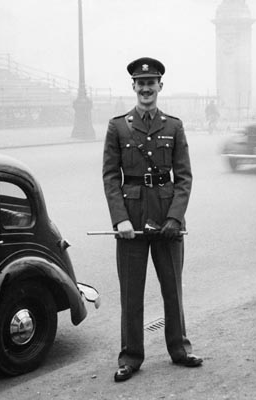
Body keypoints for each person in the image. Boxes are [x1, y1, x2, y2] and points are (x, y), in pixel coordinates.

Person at [102, 57, 203, 383]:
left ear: (160, 86)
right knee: (131, 292)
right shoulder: (118, 126)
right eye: (141, 83)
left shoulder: (173, 126)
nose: (146, 88)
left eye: (152, 83)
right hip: (131, 221)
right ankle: (131, 356)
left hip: (165, 218)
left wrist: (175, 217)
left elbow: (184, 176)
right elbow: (110, 177)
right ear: (133, 87)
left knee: (172, 288)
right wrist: (120, 220)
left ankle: (179, 348)